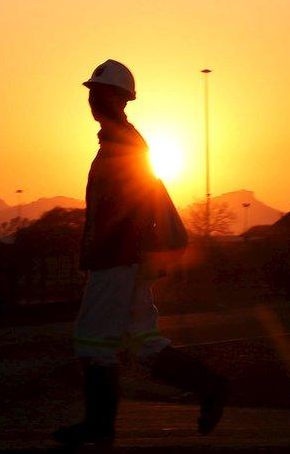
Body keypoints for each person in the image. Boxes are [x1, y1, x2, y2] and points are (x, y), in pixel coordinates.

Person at [52, 59, 229, 446]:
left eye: (100, 94)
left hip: (116, 259)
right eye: (91, 93)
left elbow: (134, 202)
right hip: (126, 258)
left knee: (94, 339)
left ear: (121, 99)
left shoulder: (121, 143)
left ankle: (99, 427)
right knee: (140, 342)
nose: (93, 100)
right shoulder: (120, 141)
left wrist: (130, 253)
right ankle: (210, 386)